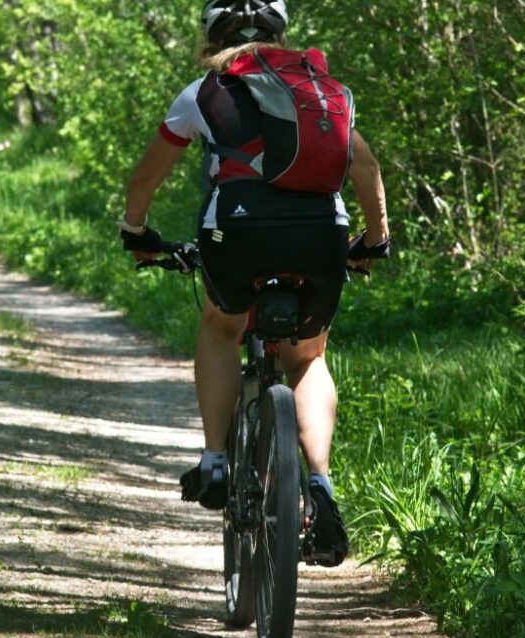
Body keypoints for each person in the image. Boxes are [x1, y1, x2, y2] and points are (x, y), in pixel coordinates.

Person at [118, 0, 389, 567]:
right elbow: (364, 168)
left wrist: (137, 232)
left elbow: (147, 176)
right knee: (308, 357)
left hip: (237, 235)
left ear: (212, 35)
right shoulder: (324, 90)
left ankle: (216, 460)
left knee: (221, 325)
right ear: (280, 33)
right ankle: (320, 485)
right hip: (321, 235)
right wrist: (374, 241)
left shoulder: (203, 93)